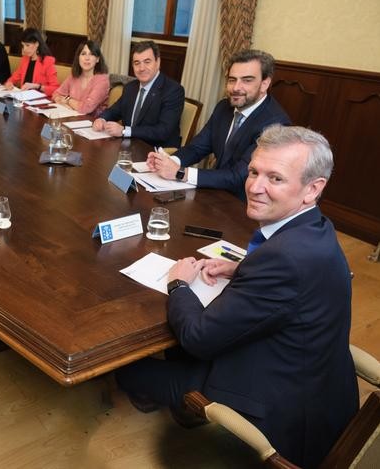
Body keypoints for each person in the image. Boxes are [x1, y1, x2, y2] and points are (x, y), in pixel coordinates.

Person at [116, 125, 358, 468]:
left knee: (129, 370)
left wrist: (179, 284)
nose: (255, 187)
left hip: (278, 411)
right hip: (313, 381)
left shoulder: (285, 259)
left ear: (312, 189)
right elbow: (291, 284)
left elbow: (198, 338)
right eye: (254, 172)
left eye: (275, 179)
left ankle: (187, 411)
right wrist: (243, 267)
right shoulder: (314, 228)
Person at [147, 49, 290, 199]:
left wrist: (180, 172)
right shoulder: (224, 107)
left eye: (247, 80)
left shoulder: (276, 124)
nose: (236, 88)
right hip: (214, 193)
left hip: (244, 205)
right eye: (232, 80)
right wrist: (168, 162)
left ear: (264, 84)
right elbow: (197, 148)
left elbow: (239, 176)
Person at [93, 41, 184, 147]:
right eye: (137, 63)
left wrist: (124, 131)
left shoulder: (173, 90)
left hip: (155, 151)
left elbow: (162, 131)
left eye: (147, 62)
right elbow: (114, 111)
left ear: (157, 62)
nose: (141, 68)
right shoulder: (130, 87)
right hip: (128, 146)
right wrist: (101, 119)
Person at [51, 40, 109, 116]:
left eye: (91, 54)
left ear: (97, 59)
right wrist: (60, 101)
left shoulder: (102, 80)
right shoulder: (74, 76)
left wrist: (68, 100)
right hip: (71, 117)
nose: (87, 58)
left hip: (92, 122)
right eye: (83, 54)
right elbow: (56, 94)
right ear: (78, 57)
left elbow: (87, 108)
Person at [3, 28, 59, 96]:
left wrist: (37, 86)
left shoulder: (47, 61)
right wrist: (9, 83)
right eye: (23, 45)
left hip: (40, 102)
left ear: (37, 44)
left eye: (27, 45)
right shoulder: (25, 59)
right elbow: (14, 77)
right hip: (23, 99)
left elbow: (55, 89)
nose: (25, 49)